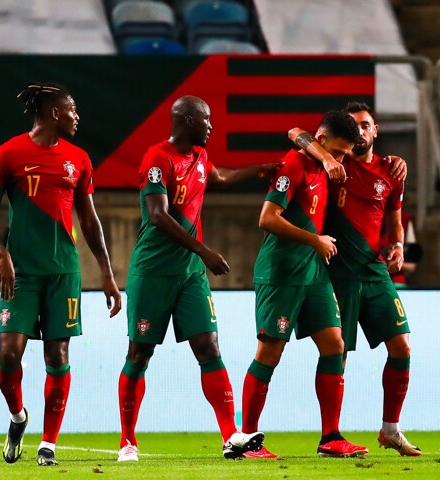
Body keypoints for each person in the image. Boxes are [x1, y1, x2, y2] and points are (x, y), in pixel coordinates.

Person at [117, 95, 277, 462]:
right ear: (188, 120)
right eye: (206, 120)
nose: (211, 127)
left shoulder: (200, 157)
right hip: (153, 272)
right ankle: (127, 441)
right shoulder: (157, 158)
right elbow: (157, 214)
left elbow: (220, 177)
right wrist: (204, 250)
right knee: (139, 354)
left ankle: (231, 436)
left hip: (190, 275)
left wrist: (260, 169)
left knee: (209, 347)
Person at [0, 82, 122, 466]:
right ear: (54, 113)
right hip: (21, 274)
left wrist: (107, 274)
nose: (77, 116)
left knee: (57, 355)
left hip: (63, 273)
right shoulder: (9, 154)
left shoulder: (79, 159)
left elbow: (89, 221)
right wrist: (1, 253)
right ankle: (17, 417)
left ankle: (48, 443)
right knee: (9, 354)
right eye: (72, 110)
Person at [287, 102, 421, 456]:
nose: (360, 131)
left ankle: (390, 430)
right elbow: (295, 133)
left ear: (376, 130)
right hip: (337, 271)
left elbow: (394, 222)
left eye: (365, 125)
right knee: (338, 353)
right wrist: (327, 159)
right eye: (354, 126)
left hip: (374, 271)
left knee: (402, 346)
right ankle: (330, 435)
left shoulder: (391, 171)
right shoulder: (331, 160)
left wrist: (397, 247)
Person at [240, 110, 367, 459]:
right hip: (281, 272)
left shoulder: (324, 165)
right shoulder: (294, 166)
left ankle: (331, 437)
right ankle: (245, 439)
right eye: (337, 152)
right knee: (270, 352)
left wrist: (331, 158)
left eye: (345, 154)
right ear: (321, 141)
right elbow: (267, 218)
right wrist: (314, 240)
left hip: (313, 272)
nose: (341, 160)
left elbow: (299, 132)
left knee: (334, 344)